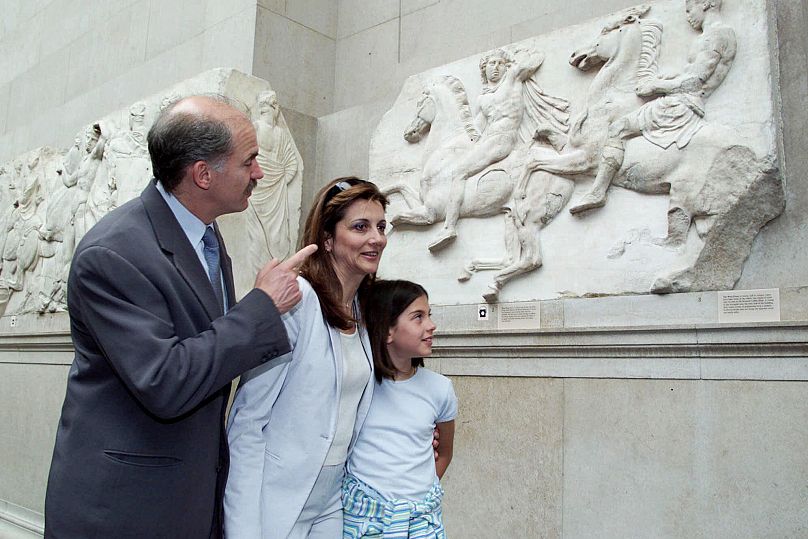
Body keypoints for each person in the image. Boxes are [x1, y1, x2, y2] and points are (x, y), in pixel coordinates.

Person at [44, 95, 317, 539]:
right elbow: (165, 381)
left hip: (187, 501)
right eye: (249, 161)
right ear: (203, 174)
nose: (261, 174)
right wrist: (262, 307)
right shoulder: (112, 253)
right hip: (126, 511)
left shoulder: (206, 238)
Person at [225, 177, 389, 538]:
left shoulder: (363, 309)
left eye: (380, 226)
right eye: (360, 227)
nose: (376, 238)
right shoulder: (295, 299)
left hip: (332, 500)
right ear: (327, 239)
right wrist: (243, 529)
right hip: (276, 498)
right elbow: (247, 422)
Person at [568, 0, 736, 214]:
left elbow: (695, 82)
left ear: (704, 4)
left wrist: (656, 85)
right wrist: (670, 78)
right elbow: (693, 75)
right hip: (685, 100)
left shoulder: (716, 35)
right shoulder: (716, 35)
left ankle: (598, 191)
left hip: (681, 105)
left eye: (689, 8)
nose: (688, 16)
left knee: (618, 128)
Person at [343, 279, 457, 538]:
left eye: (429, 315)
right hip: (363, 522)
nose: (431, 325)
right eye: (418, 317)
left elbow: (445, 453)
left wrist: (415, 494)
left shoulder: (440, 389)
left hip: (420, 523)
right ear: (387, 331)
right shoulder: (359, 384)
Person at [429, 47, 544, 252]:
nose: (496, 68)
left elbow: (537, 58)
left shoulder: (512, 80)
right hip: (488, 140)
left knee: (459, 172)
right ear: (484, 69)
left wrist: (514, 63)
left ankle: (449, 227)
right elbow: (476, 132)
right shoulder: (483, 99)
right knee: (457, 166)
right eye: (491, 64)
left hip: (502, 139)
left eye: (500, 64)